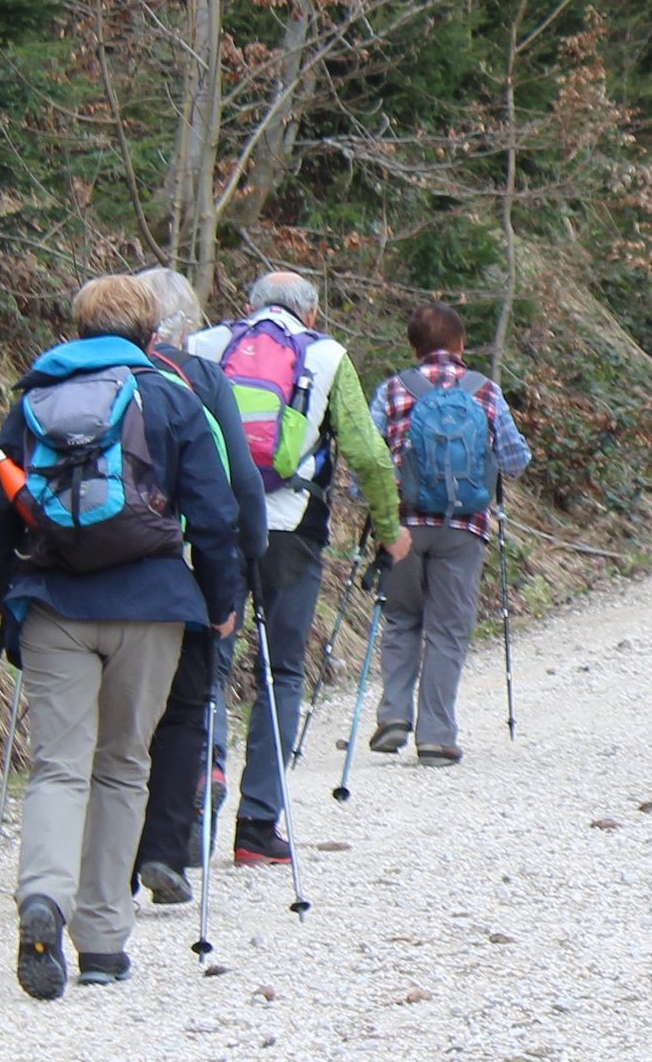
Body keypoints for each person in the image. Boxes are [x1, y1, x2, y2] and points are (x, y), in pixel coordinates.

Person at [0, 275, 240, 999]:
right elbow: (215, 518)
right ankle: (102, 942)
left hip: (55, 602)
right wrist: (221, 605)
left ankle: (42, 898)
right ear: (152, 335)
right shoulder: (172, 399)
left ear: (78, 329)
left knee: (58, 767)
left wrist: (10, 600)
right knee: (122, 766)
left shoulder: (34, 402)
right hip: (152, 604)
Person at [187, 270, 410, 865]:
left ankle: (199, 788)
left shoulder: (205, 345)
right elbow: (368, 455)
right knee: (281, 671)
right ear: (311, 314)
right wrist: (389, 531)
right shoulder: (328, 356)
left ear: (248, 306)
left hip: (212, 525)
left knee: (207, 662)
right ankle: (258, 827)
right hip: (291, 528)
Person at [130, 266, 267, 906]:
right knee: (188, 705)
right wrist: (245, 563)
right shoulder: (203, 378)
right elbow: (238, 481)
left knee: (116, 717)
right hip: (179, 569)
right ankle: (168, 846)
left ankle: (106, 860)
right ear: (185, 324)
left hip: (82, 574)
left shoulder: (79, 378)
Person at [366, 303, 531, 766]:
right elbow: (516, 461)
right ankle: (436, 735)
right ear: (461, 345)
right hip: (464, 528)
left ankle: (394, 715)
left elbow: (369, 458)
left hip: (402, 526)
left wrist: (373, 503)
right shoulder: (484, 391)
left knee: (401, 619)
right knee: (448, 629)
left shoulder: (392, 389)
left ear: (413, 347)